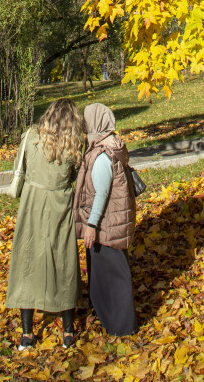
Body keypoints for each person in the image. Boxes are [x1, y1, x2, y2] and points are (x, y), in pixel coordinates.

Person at [6, 98, 85, 350]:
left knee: (27, 262)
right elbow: (73, 176)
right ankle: (68, 333)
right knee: (64, 263)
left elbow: (21, 166)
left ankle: (27, 334)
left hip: (31, 203)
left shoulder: (31, 136)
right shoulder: (74, 145)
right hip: (60, 205)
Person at [74, 102, 138, 336]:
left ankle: (122, 326)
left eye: (86, 120)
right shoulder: (108, 145)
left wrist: (91, 225)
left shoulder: (101, 154)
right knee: (107, 275)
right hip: (112, 224)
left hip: (106, 226)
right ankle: (110, 320)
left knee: (113, 277)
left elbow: (101, 193)